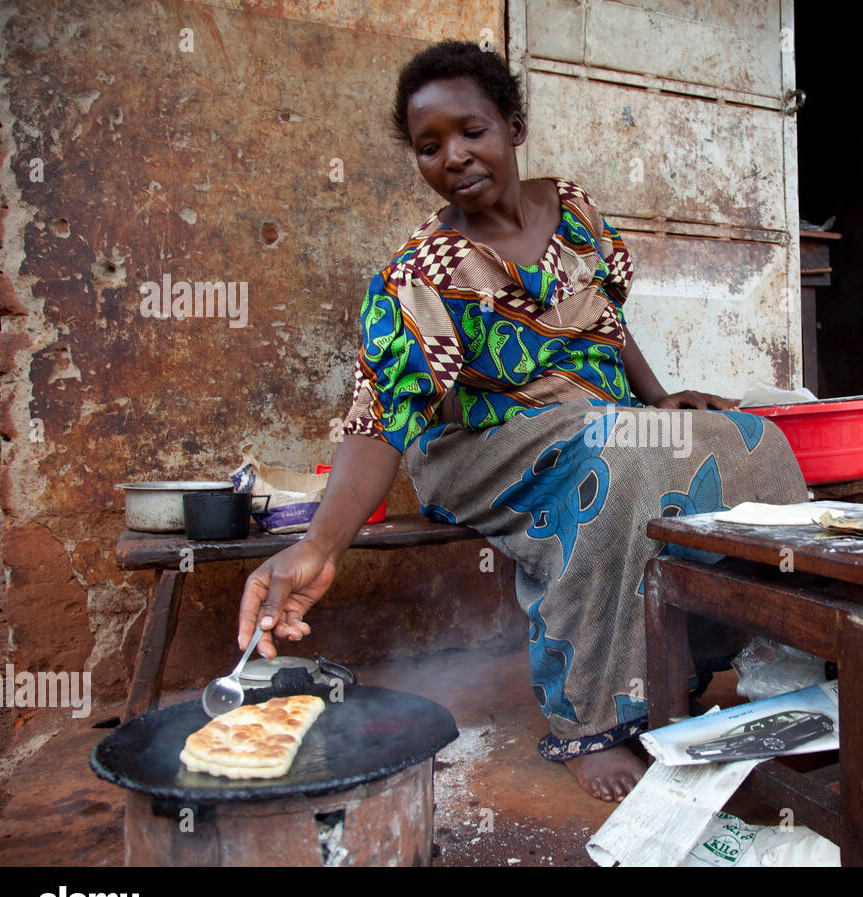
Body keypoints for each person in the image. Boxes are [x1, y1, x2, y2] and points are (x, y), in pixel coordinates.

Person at [235, 40, 809, 802]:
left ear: (512, 124)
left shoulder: (573, 212)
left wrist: (661, 396)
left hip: (597, 421)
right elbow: (381, 417)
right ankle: (590, 720)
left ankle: (739, 662)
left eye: (471, 130)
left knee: (755, 442)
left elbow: (606, 319)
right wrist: (318, 546)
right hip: (478, 448)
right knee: (619, 456)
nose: (454, 156)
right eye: (429, 146)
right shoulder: (421, 274)